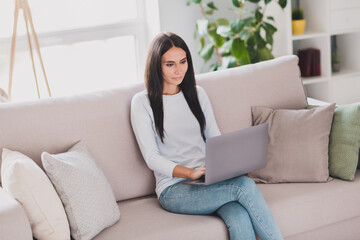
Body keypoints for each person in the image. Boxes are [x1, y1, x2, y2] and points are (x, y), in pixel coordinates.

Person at [130, 32, 283, 240]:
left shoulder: (197, 94)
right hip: (174, 189)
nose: (179, 70)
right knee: (244, 187)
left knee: (237, 213)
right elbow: (151, 157)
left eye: (183, 62)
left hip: (209, 179)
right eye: (170, 64)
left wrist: (228, 165)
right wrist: (190, 173)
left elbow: (215, 139)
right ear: (157, 66)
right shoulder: (142, 103)